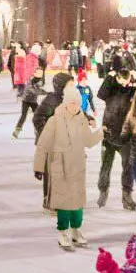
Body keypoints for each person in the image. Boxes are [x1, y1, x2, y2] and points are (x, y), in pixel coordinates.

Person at [36, 85, 103, 250]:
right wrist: (39, 167)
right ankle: (62, 233)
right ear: (65, 103)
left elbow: (88, 141)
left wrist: (101, 132)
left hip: (78, 164)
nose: (74, 107)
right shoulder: (55, 120)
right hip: (60, 165)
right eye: (71, 103)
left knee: (78, 202)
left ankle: (76, 230)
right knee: (64, 202)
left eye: (77, 104)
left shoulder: (82, 120)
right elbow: (43, 145)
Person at [95, 69, 136, 209]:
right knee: (106, 165)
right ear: (118, 78)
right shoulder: (110, 89)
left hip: (125, 136)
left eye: (127, 81)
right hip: (109, 134)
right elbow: (100, 94)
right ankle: (103, 191)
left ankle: (126, 196)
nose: (125, 84)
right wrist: (108, 76)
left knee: (128, 166)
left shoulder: (132, 90)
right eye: (122, 81)